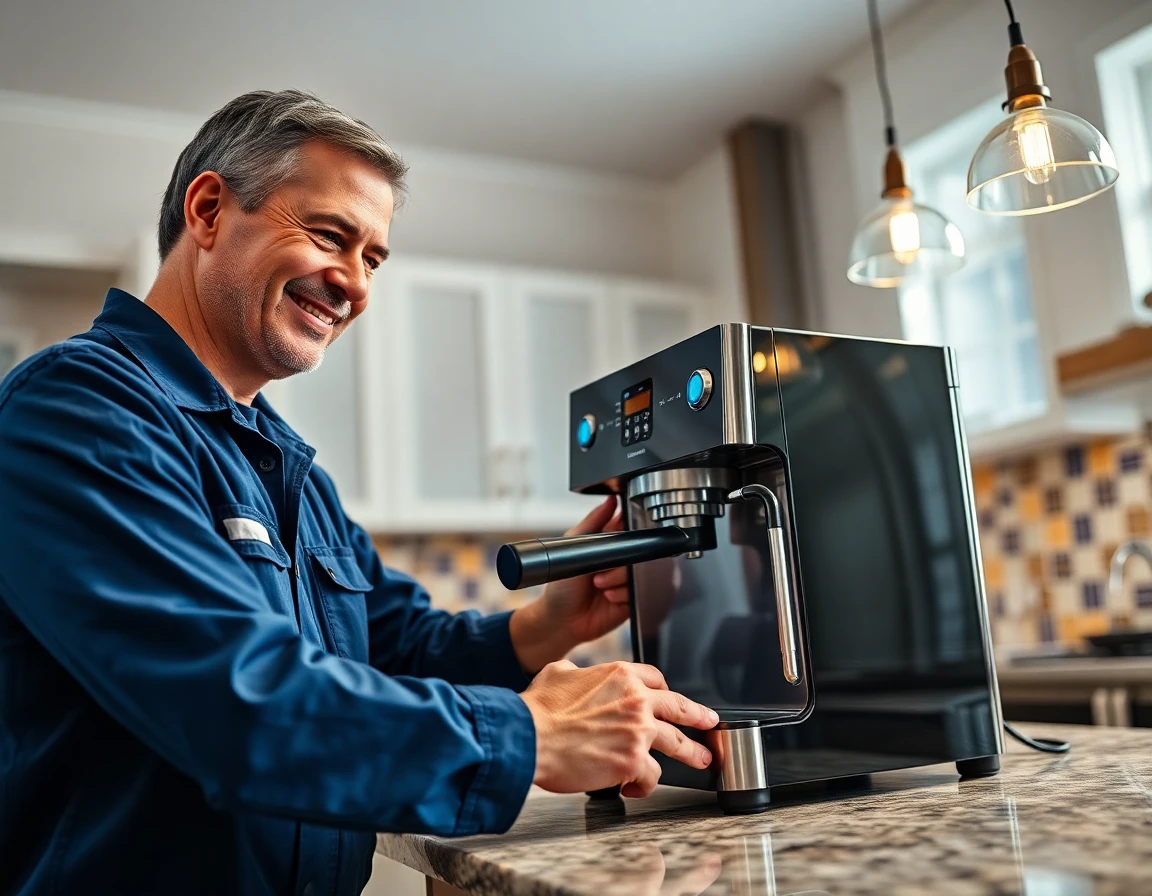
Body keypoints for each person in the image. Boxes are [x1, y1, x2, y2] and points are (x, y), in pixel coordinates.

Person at [0, 90, 718, 896]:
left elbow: (392, 647)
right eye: (330, 236)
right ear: (208, 210)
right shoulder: (77, 410)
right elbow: (237, 704)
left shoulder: (286, 466)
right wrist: (532, 734)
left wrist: (544, 625)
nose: (355, 284)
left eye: (373, 258)